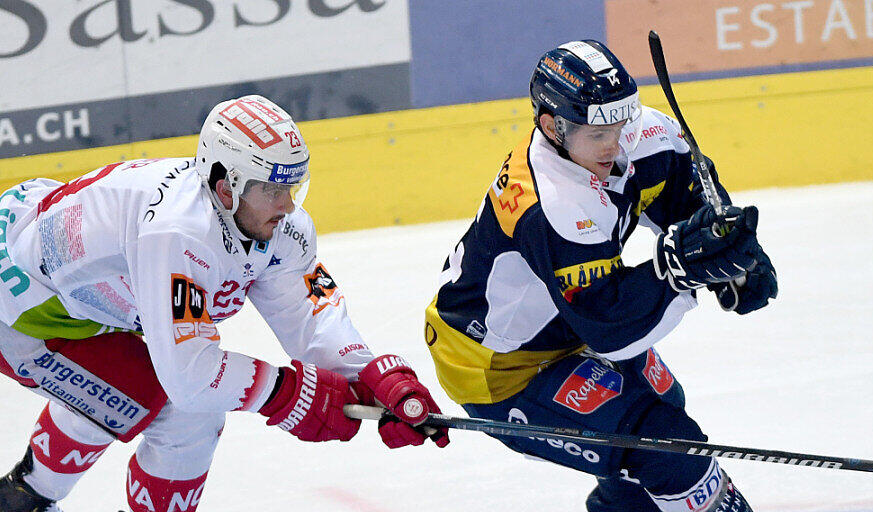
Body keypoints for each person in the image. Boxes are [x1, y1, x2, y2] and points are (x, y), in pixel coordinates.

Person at [0, 94, 448, 512]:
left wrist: (374, 377)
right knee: (177, 403)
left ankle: (24, 497)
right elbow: (191, 379)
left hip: (89, 294)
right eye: (272, 191)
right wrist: (288, 395)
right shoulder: (178, 233)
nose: (288, 206)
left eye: (293, 187)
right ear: (225, 186)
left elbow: (310, 321)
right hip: (21, 304)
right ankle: (29, 497)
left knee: (153, 390)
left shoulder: (270, 223)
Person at [424, 40, 777, 512]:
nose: (615, 144)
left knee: (664, 406)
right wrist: (680, 269)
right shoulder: (554, 203)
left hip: (564, 320)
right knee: (664, 445)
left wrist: (727, 253)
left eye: (620, 123)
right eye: (597, 135)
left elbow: (681, 188)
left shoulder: (627, 134)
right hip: (498, 365)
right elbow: (609, 325)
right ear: (552, 127)